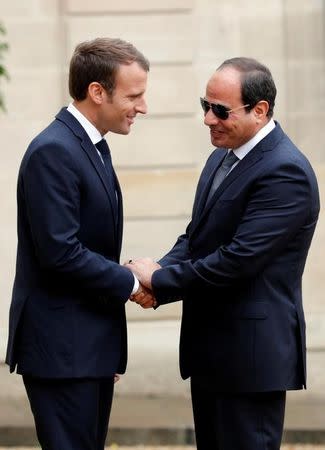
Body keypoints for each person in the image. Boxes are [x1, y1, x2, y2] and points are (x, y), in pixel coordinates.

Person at [126, 57, 320, 450]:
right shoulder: (222, 156)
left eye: (220, 110)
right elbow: (197, 239)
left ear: (260, 110)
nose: (208, 119)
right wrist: (158, 268)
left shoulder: (287, 171)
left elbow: (238, 260)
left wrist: (158, 281)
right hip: (211, 354)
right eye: (204, 105)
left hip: (251, 360)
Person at [6, 37, 150, 450]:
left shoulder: (90, 146)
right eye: (135, 95)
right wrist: (132, 282)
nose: (142, 107)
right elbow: (60, 254)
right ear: (97, 91)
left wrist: (107, 348)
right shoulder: (54, 150)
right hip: (62, 353)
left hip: (86, 349)